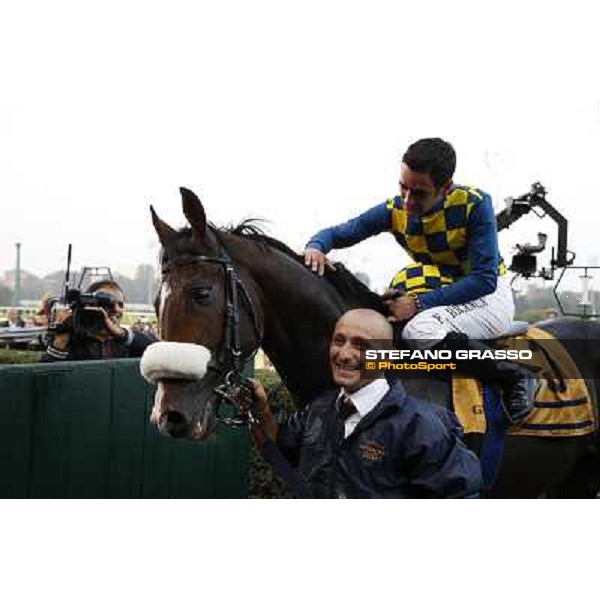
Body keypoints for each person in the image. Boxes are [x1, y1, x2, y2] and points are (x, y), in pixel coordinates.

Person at [302, 138, 535, 423]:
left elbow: (484, 279)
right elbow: (340, 233)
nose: (408, 200)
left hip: (487, 295)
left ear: (445, 188)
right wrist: (316, 246)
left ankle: (514, 375)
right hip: (444, 289)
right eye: (403, 187)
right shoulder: (395, 209)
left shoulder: (475, 204)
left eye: (419, 193)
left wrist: (419, 303)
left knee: (420, 330)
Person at [249, 309, 482, 499]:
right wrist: (262, 409)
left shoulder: (423, 426)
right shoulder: (318, 409)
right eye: (339, 341)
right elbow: (281, 447)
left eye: (361, 346)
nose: (344, 354)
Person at [42, 280, 155, 362]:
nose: (116, 309)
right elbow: (44, 379)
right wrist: (60, 341)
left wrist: (122, 334)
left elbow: (158, 352)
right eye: (108, 303)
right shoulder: (72, 340)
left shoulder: (126, 342)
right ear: (88, 304)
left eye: (120, 304)